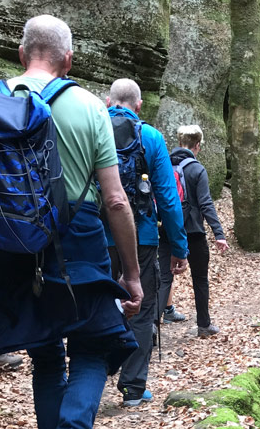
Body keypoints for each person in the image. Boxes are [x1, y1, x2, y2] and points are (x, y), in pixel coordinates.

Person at [0, 15, 143, 428]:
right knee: (92, 349)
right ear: (69, 60)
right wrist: (131, 273)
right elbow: (115, 199)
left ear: (22, 53)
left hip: (13, 248)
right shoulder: (93, 109)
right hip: (80, 244)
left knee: (44, 353)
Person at [102, 79, 189, 407]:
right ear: (138, 106)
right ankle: (133, 387)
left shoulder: (93, 129)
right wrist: (179, 247)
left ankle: (93, 375)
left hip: (97, 236)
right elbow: (168, 196)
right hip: (142, 237)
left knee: (98, 302)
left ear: (109, 100)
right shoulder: (149, 136)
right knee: (141, 309)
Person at [158, 125, 229, 338]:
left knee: (163, 278)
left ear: (180, 143)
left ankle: (151, 326)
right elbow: (206, 203)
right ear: (197, 145)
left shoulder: (163, 166)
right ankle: (204, 325)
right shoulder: (197, 169)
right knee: (200, 278)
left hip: (167, 230)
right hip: (194, 232)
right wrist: (219, 234)